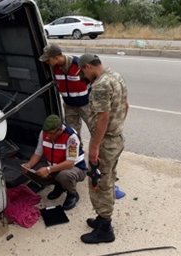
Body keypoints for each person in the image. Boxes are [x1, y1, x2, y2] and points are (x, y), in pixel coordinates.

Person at [77, 54, 129, 244]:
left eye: (83, 72)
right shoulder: (116, 76)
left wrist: (95, 147)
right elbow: (126, 105)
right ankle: (101, 219)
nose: (84, 77)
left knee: (100, 183)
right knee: (108, 177)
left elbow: (103, 118)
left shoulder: (100, 84)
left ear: (88, 67)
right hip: (116, 139)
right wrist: (118, 127)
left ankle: (105, 229)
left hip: (105, 143)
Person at [21, 114, 87, 210]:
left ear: (59, 130)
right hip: (54, 166)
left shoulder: (71, 137)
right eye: (46, 133)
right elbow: (38, 153)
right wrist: (29, 165)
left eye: (51, 133)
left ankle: (72, 194)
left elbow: (70, 163)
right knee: (33, 170)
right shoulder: (44, 133)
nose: (48, 136)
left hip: (76, 168)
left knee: (64, 176)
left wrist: (48, 169)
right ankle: (59, 186)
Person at [39, 44, 92, 135]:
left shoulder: (78, 64)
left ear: (56, 57)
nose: (47, 62)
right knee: (72, 133)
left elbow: (93, 81)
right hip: (69, 105)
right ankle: (78, 148)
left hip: (86, 105)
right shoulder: (53, 68)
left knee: (95, 130)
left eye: (48, 60)